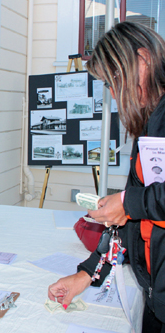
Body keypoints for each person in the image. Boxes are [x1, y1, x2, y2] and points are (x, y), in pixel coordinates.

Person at [48, 22, 165, 331]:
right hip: (156, 294)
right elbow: (134, 223)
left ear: (143, 61)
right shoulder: (150, 124)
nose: (113, 93)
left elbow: (139, 205)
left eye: (114, 79)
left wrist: (128, 202)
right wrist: (86, 274)